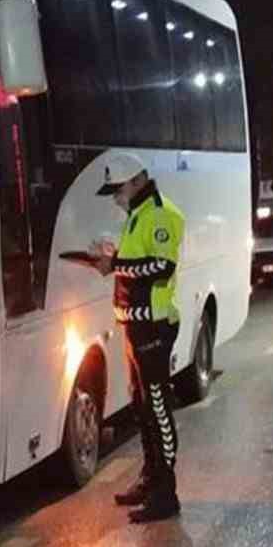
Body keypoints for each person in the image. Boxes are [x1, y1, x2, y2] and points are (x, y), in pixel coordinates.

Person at [94, 152, 186, 523]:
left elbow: (162, 267)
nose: (116, 198)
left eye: (118, 190)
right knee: (141, 406)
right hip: (134, 325)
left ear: (136, 182)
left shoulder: (162, 214)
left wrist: (115, 265)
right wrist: (112, 258)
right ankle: (150, 479)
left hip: (155, 325)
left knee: (159, 409)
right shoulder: (137, 216)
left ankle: (167, 494)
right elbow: (138, 262)